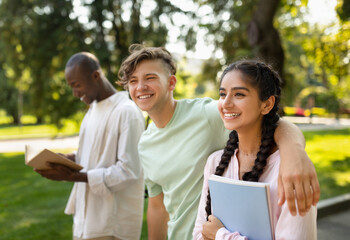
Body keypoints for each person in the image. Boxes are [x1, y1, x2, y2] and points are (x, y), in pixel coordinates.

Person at [117, 44, 320, 240]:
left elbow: (271, 120)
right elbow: (157, 205)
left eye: (150, 77)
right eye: (133, 81)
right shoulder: (145, 144)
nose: (140, 87)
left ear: (171, 83)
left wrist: (294, 153)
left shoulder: (207, 113)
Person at [193, 60, 317, 240]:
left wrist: (220, 235)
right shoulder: (215, 162)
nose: (226, 103)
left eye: (239, 94)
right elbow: (199, 233)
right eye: (222, 94)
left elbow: (211, 233)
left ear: (266, 104)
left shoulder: (291, 171)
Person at [35, 52, 145, 240]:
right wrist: (66, 158)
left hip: (112, 225)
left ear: (95, 76)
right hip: (85, 221)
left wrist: (73, 177)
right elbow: (90, 154)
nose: (75, 93)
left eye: (76, 85)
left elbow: (129, 171)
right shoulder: (91, 111)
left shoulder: (127, 112)